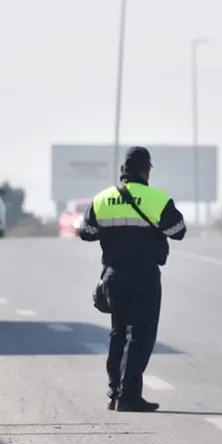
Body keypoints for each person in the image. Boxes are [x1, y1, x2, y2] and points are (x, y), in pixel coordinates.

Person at [79, 146, 186, 412]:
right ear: (145, 170)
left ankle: (115, 392)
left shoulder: (102, 199)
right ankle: (128, 396)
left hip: (113, 274)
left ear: (122, 171)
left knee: (118, 332)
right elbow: (178, 230)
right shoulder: (157, 199)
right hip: (144, 275)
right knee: (140, 334)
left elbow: (87, 232)